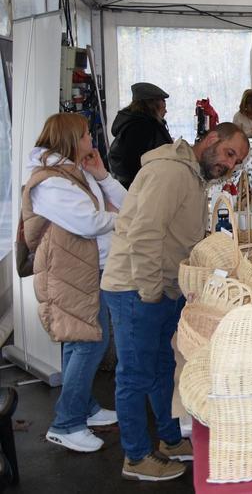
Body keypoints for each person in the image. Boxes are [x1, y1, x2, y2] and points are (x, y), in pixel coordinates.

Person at [102, 123, 249, 481]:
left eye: (237, 162)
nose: (230, 165)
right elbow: (145, 233)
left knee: (162, 367)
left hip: (162, 288)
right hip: (136, 288)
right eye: (230, 154)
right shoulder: (169, 171)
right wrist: (151, 289)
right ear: (211, 139)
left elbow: (179, 234)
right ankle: (136, 458)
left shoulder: (193, 176)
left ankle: (169, 439)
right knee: (135, 375)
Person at [21, 113, 126, 453]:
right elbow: (88, 221)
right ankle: (66, 423)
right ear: (69, 139)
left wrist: (102, 175)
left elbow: (123, 204)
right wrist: (118, 219)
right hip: (70, 273)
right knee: (88, 341)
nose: (91, 140)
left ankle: (83, 407)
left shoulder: (73, 172)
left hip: (83, 269)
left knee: (80, 340)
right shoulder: (51, 182)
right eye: (84, 135)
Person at [109, 82, 172, 189]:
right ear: (153, 104)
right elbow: (133, 163)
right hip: (140, 187)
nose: (166, 110)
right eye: (163, 104)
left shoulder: (137, 123)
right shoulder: (141, 127)